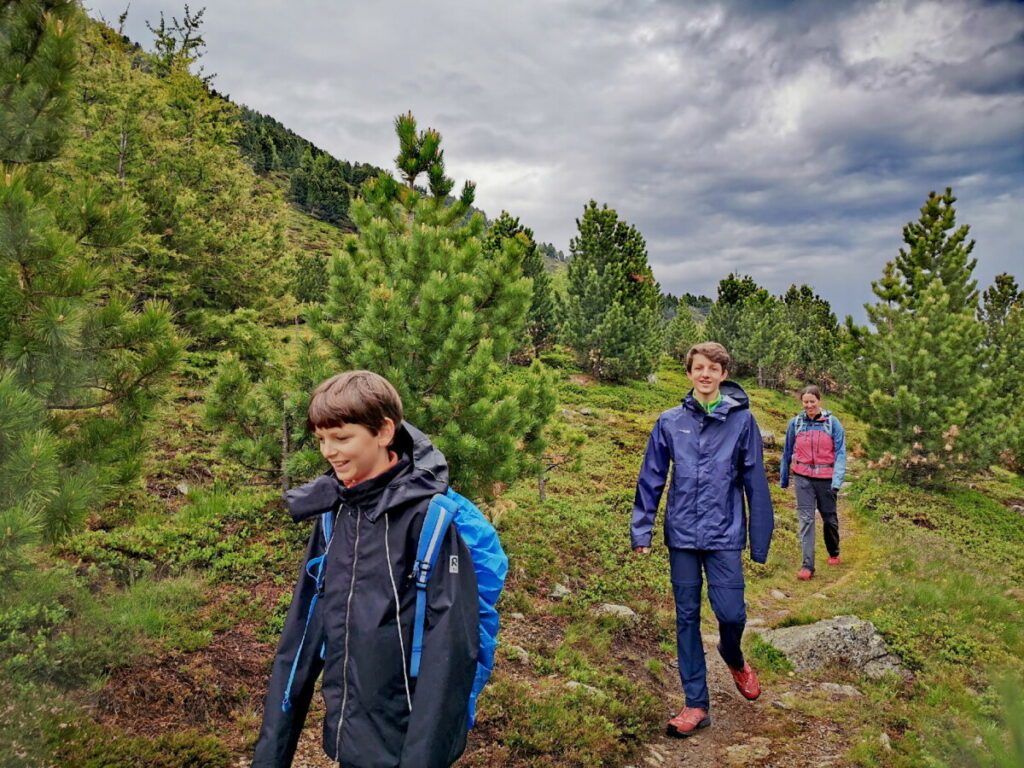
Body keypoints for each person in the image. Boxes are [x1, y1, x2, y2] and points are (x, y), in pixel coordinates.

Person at [252, 371, 479, 768]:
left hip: (404, 742)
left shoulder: (428, 522)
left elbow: (451, 657)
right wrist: (270, 757)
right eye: (321, 439)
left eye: (341, 437)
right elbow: (302, 634)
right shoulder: (337, 514)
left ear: (384, 431)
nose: (329, 452)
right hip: (350, 733)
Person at [631, 342, 774, 738]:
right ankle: (695, 704)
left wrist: (759, 540)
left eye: (713, 368)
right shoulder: (669, 421)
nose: (705, 374)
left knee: (731, 614)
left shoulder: (742, 422)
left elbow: (755, 483)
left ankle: (733, 655)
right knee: (687, 618)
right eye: (698, 367)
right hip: (682, 536)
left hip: (725, 535)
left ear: (724, 374)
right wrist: (641, 529)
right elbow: (651, 478)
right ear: (689, 373)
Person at [779, 384, 846, 580]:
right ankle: (807, 566)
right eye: (805, 402)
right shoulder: (795, 423)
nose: (809, 405)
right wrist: (784, 479)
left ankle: (834, 551)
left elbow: (841, 453)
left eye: (812, 402)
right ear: (801, 402)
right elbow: (787, 452)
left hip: (826, 480)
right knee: (806, 520)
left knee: (829, 519)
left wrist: (837, 479)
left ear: (819, 401)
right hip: (803, 478)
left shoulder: (833, 423)